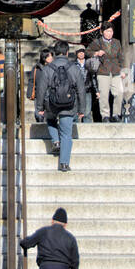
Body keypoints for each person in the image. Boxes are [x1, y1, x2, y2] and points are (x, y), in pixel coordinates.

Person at [35, 39, 87, 171]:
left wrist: (40, 107)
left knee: (51, 120)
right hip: (69, 104)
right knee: (66, 133)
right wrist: (82, 109)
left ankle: (55, 141)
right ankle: (64, 163)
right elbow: (81, 89)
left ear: (55, 52)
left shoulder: (48, 68)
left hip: (52, 104)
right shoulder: (74, 68)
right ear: (67, 52)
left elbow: (40, 89)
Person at [86, 23, 125, 122]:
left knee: (119, 92)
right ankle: (105, 115)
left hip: (115, 71)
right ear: (102, 32)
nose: (109, 33)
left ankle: (116, 114)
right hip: (103, 71)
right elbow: (87, 51)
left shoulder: (117, 42)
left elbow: (121, 57)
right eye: (107, 31)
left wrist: (122, 70)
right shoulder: (97, 42)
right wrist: (96, 53)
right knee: (104, 94)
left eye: (111, 31)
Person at [74, 47, 96, 122]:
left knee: (87, 112)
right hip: (76, 90)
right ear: (76, 53)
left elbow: (93, 77)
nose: (81, 53)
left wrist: (96, 89)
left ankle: (88, 130)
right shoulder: (73, 64)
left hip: (87, 89)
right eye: (79, 52)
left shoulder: (89, 63)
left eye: (83, 52)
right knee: (75, 112)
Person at [30, 48, 53, 121]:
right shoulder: (36, 68)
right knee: (38, 115)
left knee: (49, 115)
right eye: (49, 56)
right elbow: (32, 80)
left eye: (51, 56)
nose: (51, 58)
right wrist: (30, 92)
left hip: (50, 94)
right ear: (44, 57)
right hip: (39, 94)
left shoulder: (53, 67)